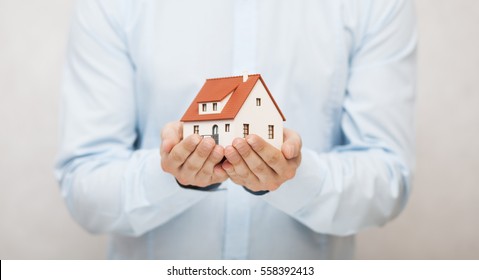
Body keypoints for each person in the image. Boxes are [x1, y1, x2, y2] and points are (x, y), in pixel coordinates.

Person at [56, 0, 417, 259]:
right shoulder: (110, 5)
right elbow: (85, 183)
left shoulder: (377, 5)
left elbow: (388, 178)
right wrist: (169, 175)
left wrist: (298, 177)